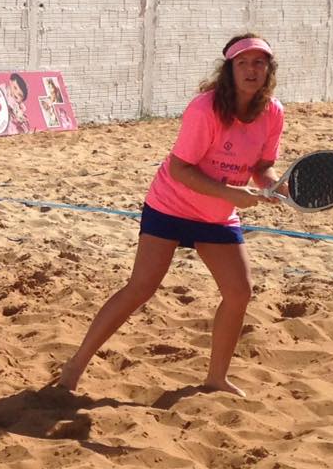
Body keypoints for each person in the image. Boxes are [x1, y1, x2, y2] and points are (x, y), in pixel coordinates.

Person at [57, 33, 286, 398]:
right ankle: (75, 365)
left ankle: (216, 379)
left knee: (239, 292)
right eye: (242, 62)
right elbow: (180, 168)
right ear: (229, 69)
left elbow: (262, 166)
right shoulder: (206, 108)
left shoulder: (272, 112)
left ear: (268, 70)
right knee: (141, 287)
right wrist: (231, 193)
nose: (251, 69)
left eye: (259, 62)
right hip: (171, 205)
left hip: (216, 215)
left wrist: (273, 185)